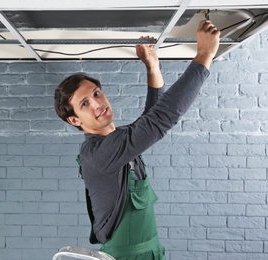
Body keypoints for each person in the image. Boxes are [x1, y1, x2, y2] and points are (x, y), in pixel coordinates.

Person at [54, 20, 220, 260]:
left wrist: (153, 67)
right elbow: (159, 121)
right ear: (75, 120)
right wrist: (204, 55)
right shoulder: (101, 153)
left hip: (151, 253)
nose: (98, 103)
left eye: (96, 94)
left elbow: (148, 121)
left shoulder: (118, 143)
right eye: (85, 104)